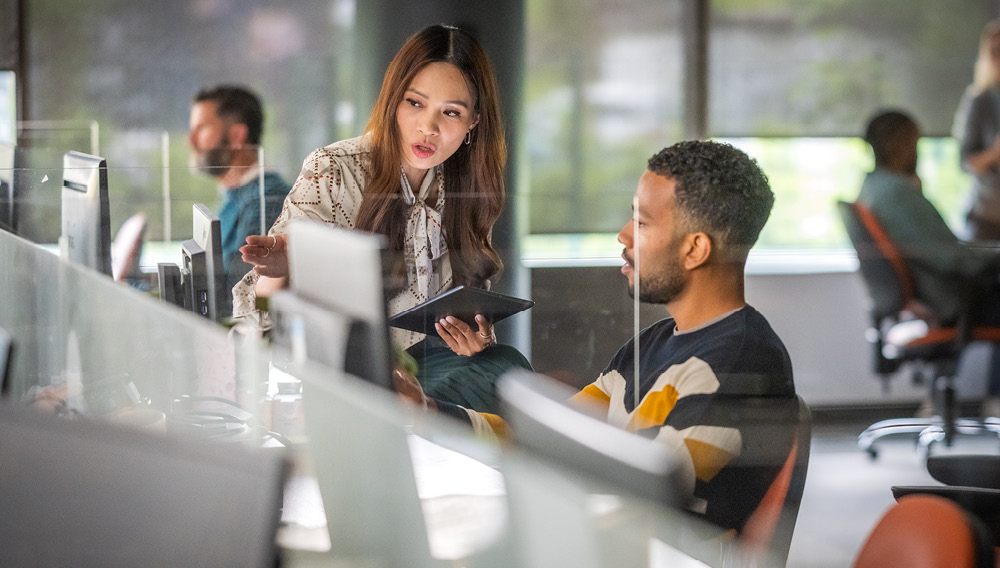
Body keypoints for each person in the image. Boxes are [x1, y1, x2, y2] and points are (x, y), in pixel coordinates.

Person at [397, 140, 799, 535]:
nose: (624, 236)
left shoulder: (733, 367)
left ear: (695, 249)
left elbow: (650, 507)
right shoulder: (652, 343)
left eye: (642, 223)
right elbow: (549, 437)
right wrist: (429, 408)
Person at [234, 24, 530, 414]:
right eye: (415, 103)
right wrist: (283, 266)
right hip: (340, 377)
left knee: (507, 370)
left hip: (421, 372)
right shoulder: (335, 168)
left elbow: (466, 302)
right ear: (393, 100)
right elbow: (255, 316)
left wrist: (474, 334)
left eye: (451, 112)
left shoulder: (465, 188)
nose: (429, 127)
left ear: (474, 121)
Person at [859, 109, 1000, 417]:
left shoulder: (875, 188)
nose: (918, 149)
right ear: (899, 144)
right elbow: (951, 257)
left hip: (935, 293)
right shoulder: (896, 193)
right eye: (915, 141)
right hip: (950, 297)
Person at [188, 85, 292, 292]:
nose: (191, 140)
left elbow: (238, 293)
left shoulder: (265, 201)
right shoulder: (236, 194)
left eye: (201, 128)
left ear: (237, 136)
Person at [953, 19, 1000, 241]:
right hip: (988, 217)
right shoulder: (980, 100)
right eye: (995, 51)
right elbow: (965, 162)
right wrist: (995, 153)